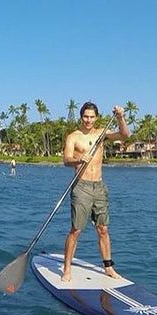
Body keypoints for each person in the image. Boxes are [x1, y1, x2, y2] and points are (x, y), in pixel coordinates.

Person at [62, 102, 130, 282]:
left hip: (99, 186)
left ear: (96, 118)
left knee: (103, 229)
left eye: (92, 117)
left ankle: (108, 268)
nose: (88, 120)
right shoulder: (73, 137)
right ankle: (67, 269)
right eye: (86, 117)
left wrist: (120, 117)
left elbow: (124, 135)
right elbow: (66, 159)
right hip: (81, 186)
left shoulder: (101, 134)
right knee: (76, 230)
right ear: (81, 117)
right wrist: (78, 160)